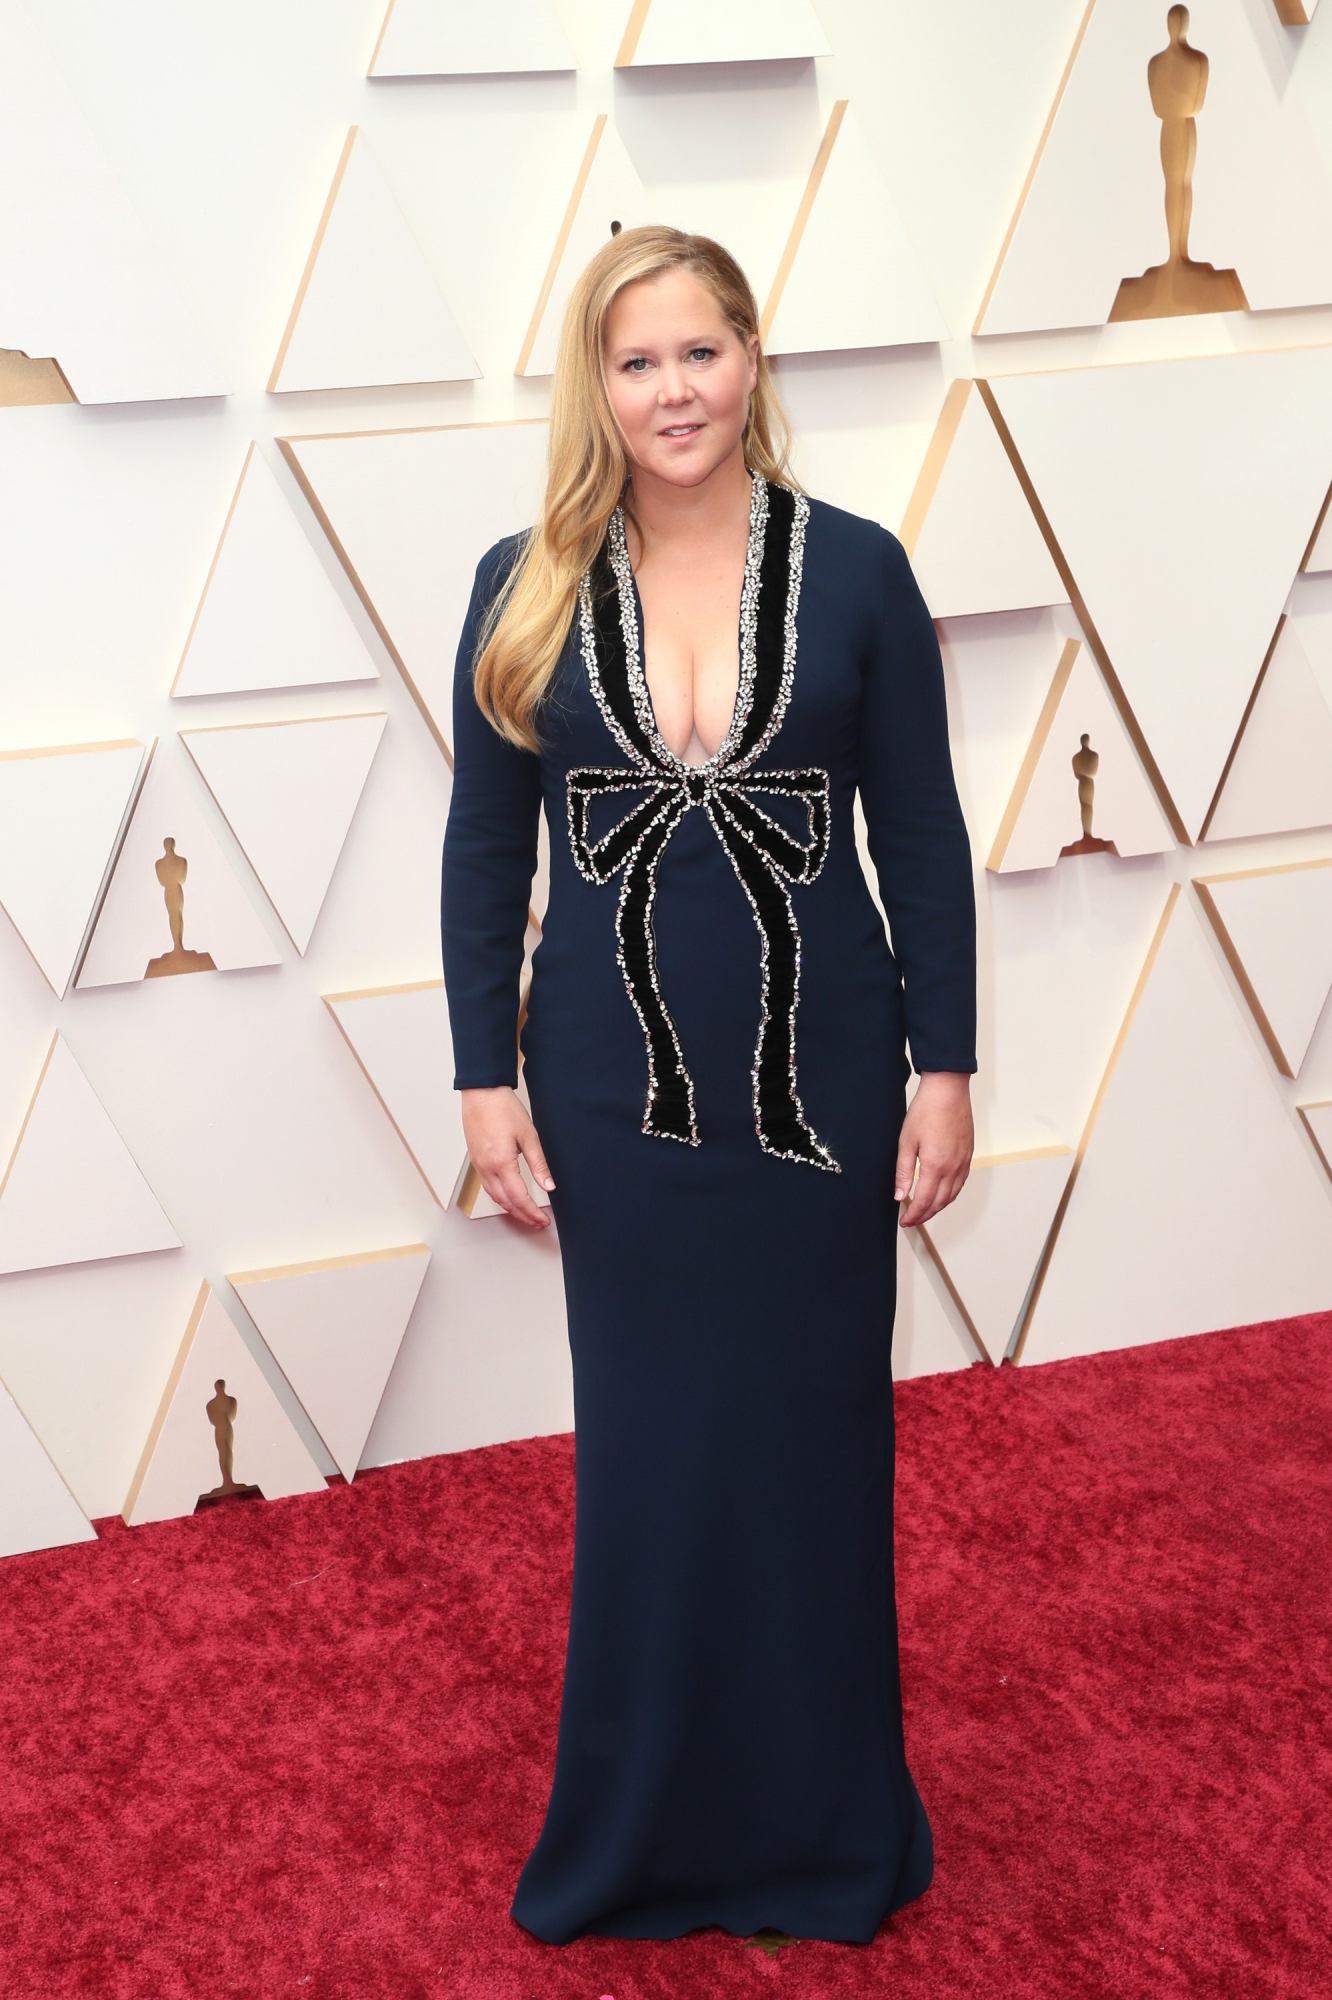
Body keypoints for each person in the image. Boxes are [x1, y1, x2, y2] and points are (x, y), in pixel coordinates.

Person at [440, 225, 976, 1947]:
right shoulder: (517, 584)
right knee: (656, 1463)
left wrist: (946, 1068)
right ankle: (643, 1834)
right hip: (609, 1096)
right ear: (594, 390)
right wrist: (479, 1080)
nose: (674, 389)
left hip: (826, 1092)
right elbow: (479, 856)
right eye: (636, 361)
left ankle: (826, 1828)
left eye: (701, 350)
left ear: (754, 358)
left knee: (815, 1448)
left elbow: (927, 842)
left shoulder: (864, 571)